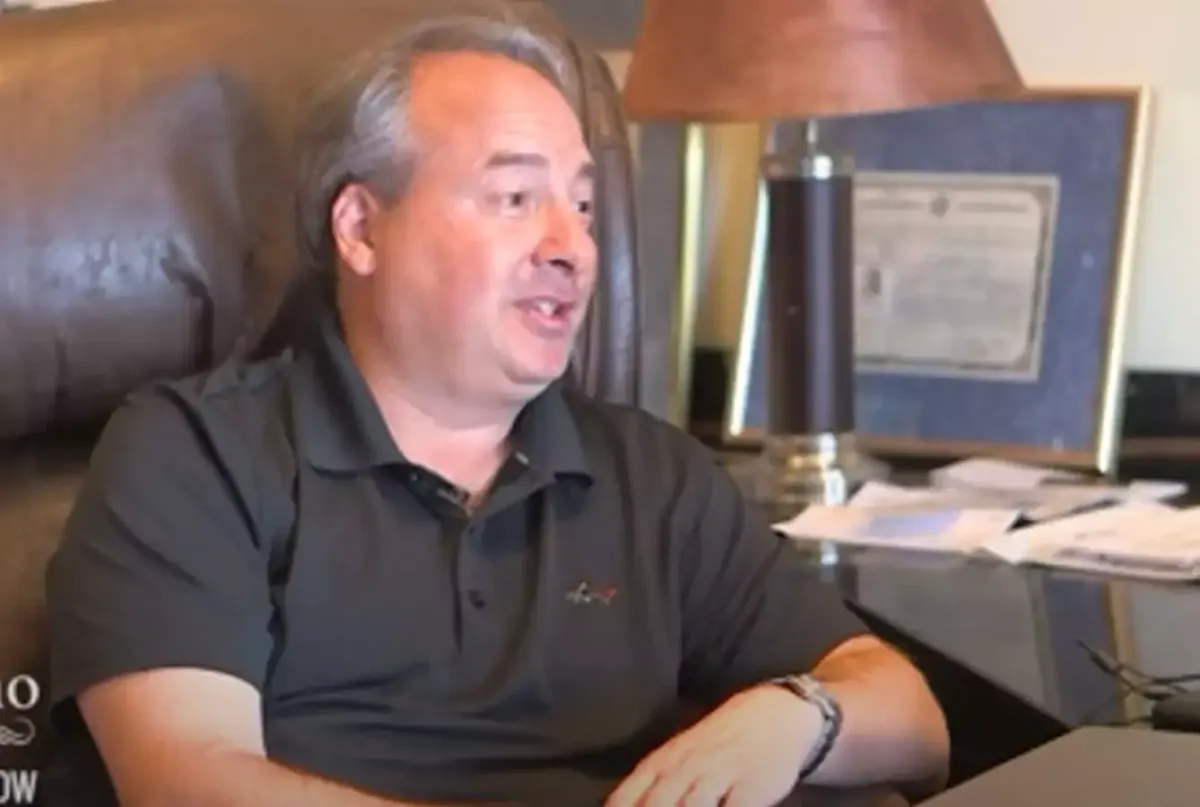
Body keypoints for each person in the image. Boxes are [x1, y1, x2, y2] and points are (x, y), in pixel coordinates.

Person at [44, 8, 950, 807]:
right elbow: (187, 781)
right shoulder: (196, 453)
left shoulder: (649, 475)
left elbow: (915, 723)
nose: (572, 246)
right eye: (515, 198)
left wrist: (799, 715)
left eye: (584, 206)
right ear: (360, 228)